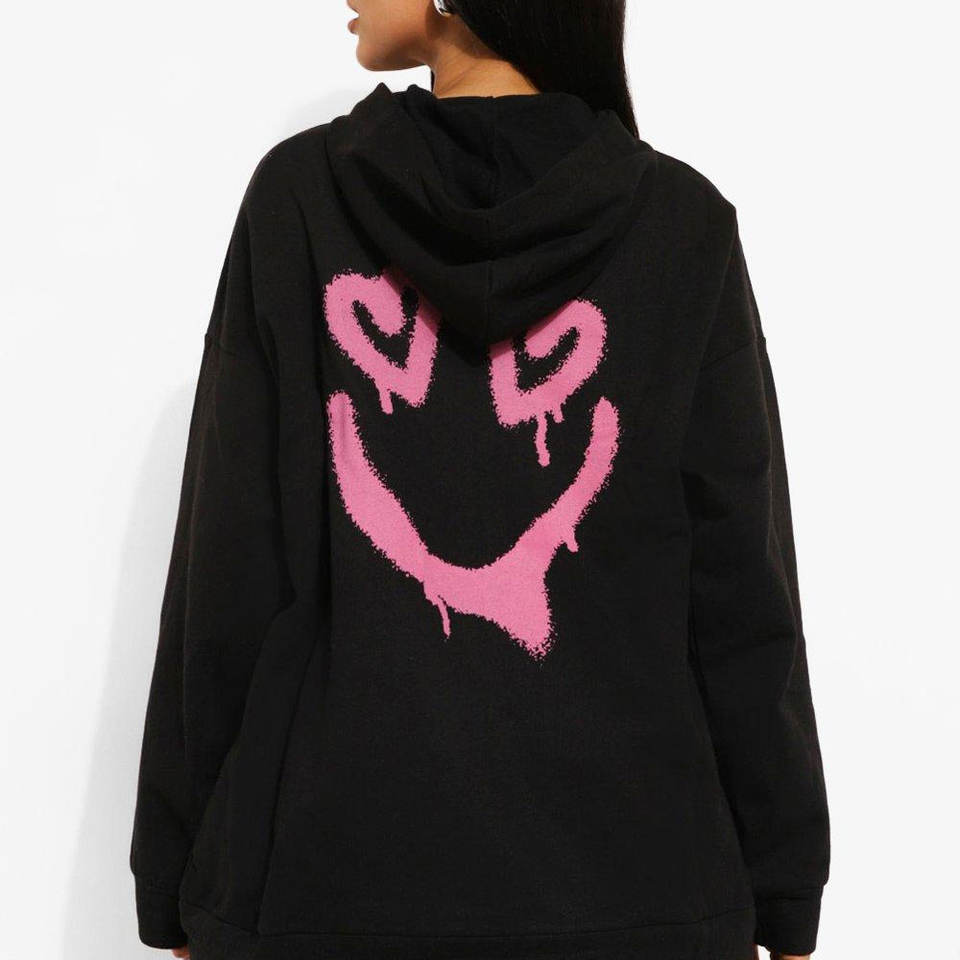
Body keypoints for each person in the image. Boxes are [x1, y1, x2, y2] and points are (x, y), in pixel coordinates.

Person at [128, 1, 830, 958]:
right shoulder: (680, 223)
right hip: (643, 895)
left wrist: (175, 879)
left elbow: (229, 567)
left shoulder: (298, 199)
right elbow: (741, 590)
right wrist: (785, 886)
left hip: (322, 893)